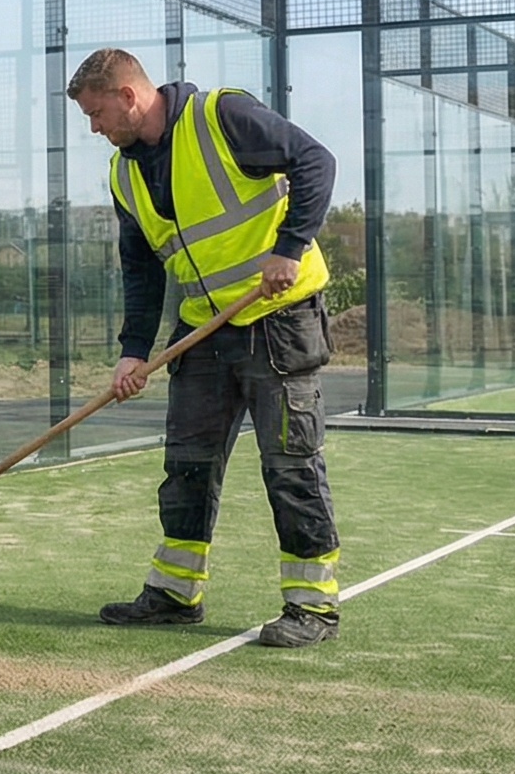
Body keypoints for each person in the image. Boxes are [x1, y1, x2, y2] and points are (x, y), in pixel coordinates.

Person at [70, 47, 345, 649]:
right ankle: (174, 593)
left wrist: (290, 248)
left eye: (96, 114)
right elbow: (140, 271)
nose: (94, 129)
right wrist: (133, 351)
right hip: (202, 331)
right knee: (187, 466)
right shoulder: (124, 174)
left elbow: (316, 163)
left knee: (290, 465)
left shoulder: (222, 116)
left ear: (128, 97)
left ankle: (312, 607)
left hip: (280, 320)